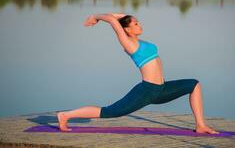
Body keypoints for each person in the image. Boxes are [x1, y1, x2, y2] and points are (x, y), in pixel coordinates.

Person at [57, 13, 219, 134]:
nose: (140, 25)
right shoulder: (128, 43)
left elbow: (120, 17)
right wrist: (96, 17)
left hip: (161, 89)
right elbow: (114, 21)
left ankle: (200, 125)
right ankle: (65, 115)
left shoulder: (141, 42)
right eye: (135, 23)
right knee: (109, 112)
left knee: (194, 84)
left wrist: (122, 17)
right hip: (146, 91)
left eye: (138, 22)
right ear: (127, 29)